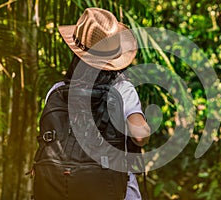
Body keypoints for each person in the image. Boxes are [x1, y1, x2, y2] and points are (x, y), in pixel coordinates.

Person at [46, 7, 150, 200]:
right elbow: (140, 136)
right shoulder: (122, 90)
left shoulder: (56, 91)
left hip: (62, 188)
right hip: (115, 189)